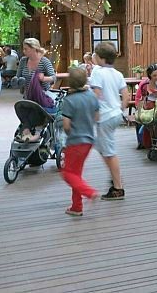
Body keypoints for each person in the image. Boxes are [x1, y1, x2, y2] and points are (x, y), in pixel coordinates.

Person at [89, 42, 129, 200]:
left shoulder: (97, 72)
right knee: (102, 146)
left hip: (104, 116)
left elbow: (96, 95)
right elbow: (126, 96)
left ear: (101, 58)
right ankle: (115, 176)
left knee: (109, 152)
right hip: (115, 114)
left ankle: (118, 187)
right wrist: (120, 110)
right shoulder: (117, 74)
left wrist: (94, 113)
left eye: (95, 55)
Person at [60, 67, 100, 216]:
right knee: (76, 174)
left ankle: (90, 193)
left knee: (67, 173)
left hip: (75, 141)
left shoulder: (69, 100)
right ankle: (77, 207)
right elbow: (97, 117)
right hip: (89, 140)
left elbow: (66, 125)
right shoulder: (91, 96)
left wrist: (69, 133)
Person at [133, 63, 157, 149]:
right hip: (147, 110)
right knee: (145, 119)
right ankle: (146, 142)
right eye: (154, 75)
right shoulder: (144, 84)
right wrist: (139, 109)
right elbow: (138, 99)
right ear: (150, 75)